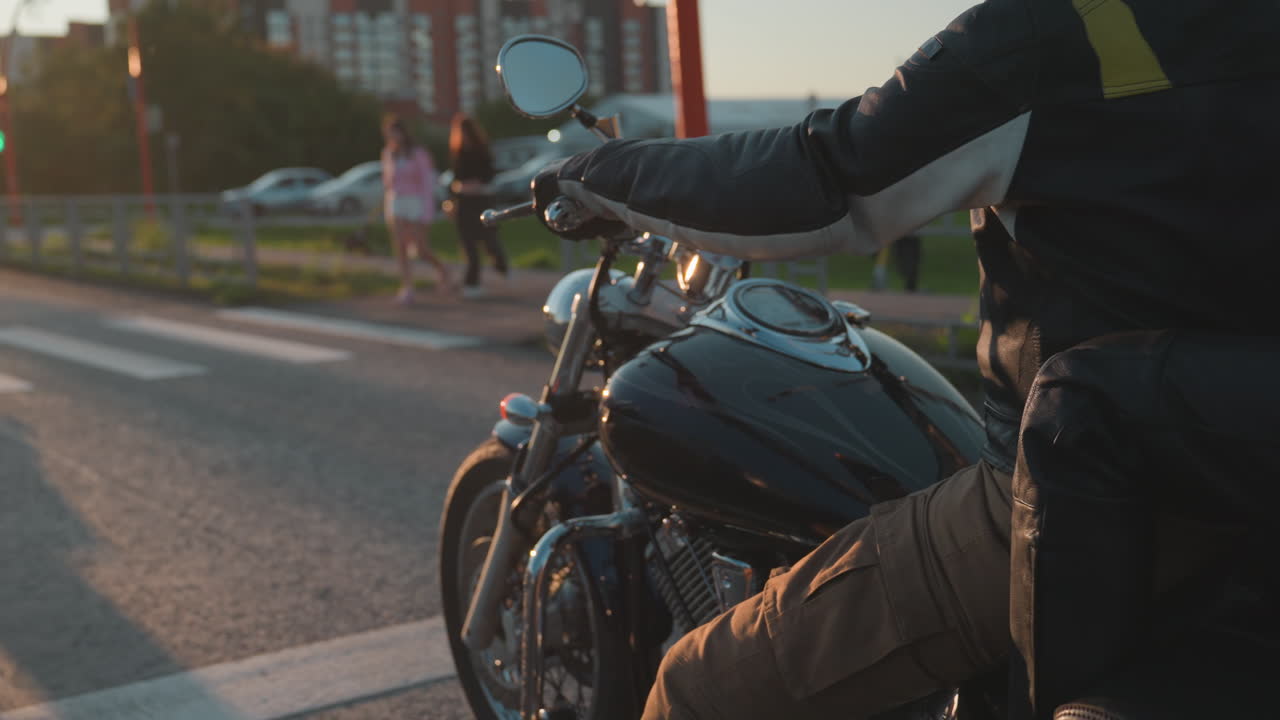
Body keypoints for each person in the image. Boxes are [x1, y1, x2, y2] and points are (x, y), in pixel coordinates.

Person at [530, 0, 1279, 717]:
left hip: (1091, 487)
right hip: (1248, 457)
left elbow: (819, 176)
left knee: (698, 685)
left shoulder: (1051, 31)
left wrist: (607, 174)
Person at [382, 114, 453, 303]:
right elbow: (388, 182)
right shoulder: (389, 154)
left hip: (416, 202)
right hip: (397, 202)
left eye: (395, 133)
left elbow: (427, 183)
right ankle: (407, 286)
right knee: (401, 245)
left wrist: (427, 211)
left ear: (403, 133)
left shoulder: (419, 154)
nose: (393, 138)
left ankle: (442, 269)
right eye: (390, 134)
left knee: (420, 248)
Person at [449, 113, 509, 299]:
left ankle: (500, 264)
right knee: (469, 244)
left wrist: (478, 185)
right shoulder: (457, 153)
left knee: (489, 240)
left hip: (482, 201)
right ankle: (471, 282)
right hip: (464, 203)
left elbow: (490, 175)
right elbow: (455, 179)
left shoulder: (482, 151)